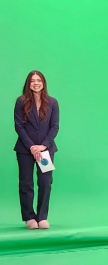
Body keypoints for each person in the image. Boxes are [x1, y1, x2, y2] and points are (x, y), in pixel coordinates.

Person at [14, 71, 59, 230]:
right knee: (26, 183)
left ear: (43, 82)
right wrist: (32, 147)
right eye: (32, 81)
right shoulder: (21, 101)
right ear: (28, 83)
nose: (36, 83)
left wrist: (43, 146)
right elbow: (19, 126)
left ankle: (42, 217)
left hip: (46, 150)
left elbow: (54, 126)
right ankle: (29, 217)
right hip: (25, 150)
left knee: (45, 182)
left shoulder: (52, 102)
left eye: (38, 80)